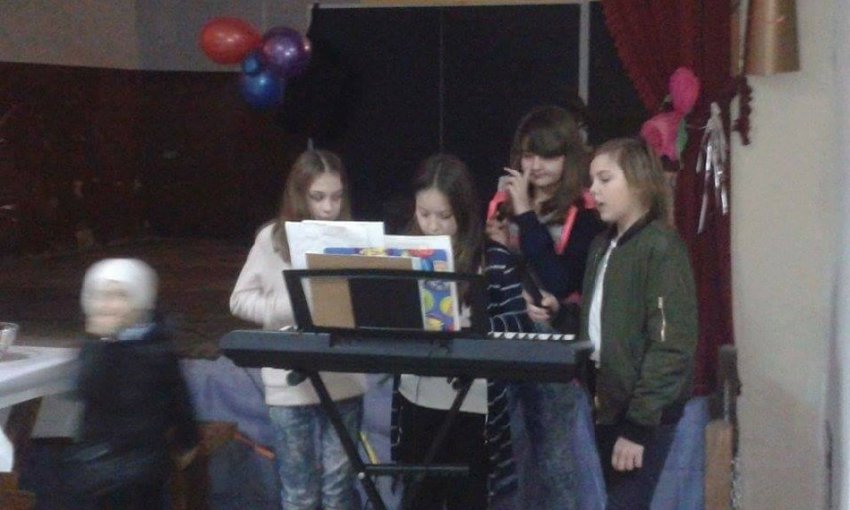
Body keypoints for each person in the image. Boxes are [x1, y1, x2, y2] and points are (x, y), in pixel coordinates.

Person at [230, 149, 366, 510]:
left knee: (338, 492)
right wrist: (288, 307)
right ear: (298, 194)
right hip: (288, 380)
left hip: (343, 376)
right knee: (299, 494)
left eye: (336, 197)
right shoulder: (272, 238)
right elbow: (239, 300)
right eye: (318, 197)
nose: (328, 208)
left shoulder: (353, 238)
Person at [392, 154, 530, 510]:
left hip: (473, 406)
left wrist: (474, 327)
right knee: (419, 498)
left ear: (464, 212)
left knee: (468, 497)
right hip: (416, 399)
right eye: (424, 214)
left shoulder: (493, 259)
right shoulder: (403, 254)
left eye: (444, 216)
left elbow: (518, 323)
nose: (432, 226)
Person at [486, 104, 605, 510]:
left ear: (568, 157)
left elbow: (559, 280)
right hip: (502, 338)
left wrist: (525, 214)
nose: (535, 166)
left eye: (548, 156)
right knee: (504, 459)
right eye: (528, 154)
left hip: (553, 346)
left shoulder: (585, 212)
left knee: (554, 459)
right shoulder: (500, 203)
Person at [581, 137, 697, 510]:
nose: (593, 190)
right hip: (607, 403)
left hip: (641, 411)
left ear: (638, 182)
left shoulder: (660, 247)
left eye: (604, 179)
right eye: (592, 181)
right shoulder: (602, 246)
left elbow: (671, 345)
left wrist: (638, 426)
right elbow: (605, 324)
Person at [68, 258, 199, 509]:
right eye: (100, 295)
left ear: (140, 300)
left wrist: (187, 438)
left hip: (142, 461)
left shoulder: (156, 347)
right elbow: (86, 388)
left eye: (119, 296)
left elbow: (177, 396)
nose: (107, 304)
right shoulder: (95, 346)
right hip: (96, 458)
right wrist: (100, 344)